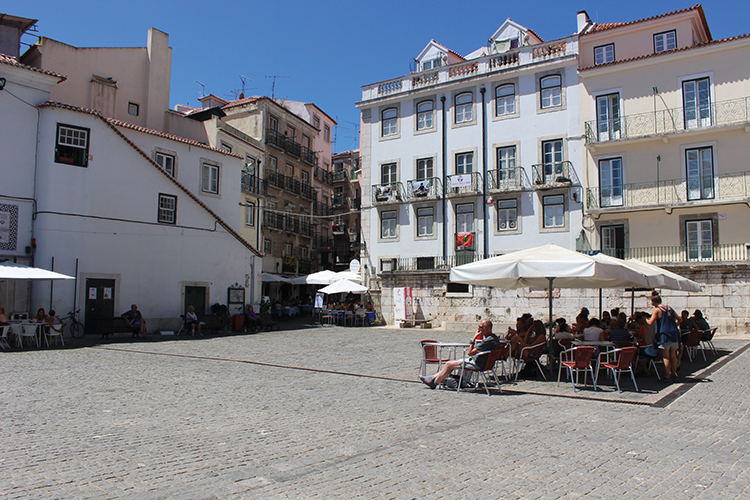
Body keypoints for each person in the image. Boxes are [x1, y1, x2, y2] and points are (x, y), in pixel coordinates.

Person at [419, 319, 502, 389]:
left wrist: (474, 338)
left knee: (448, 364)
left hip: (477, 364)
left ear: (487, 328)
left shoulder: (488, 341)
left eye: (480, 327)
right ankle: (432, 378)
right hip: (483, 363)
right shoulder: (494, 338)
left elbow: (470, 353)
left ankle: (434, 382)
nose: (478, 329)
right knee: (451, 365)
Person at [645, 290, 681, 382]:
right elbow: (679, 319)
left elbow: (650, 322)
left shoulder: (657, 310)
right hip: (674, 334)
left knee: (666, 357)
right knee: (673, 356)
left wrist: (645, 319)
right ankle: (673, 374)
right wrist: (673, 325)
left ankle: (667, 376)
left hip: (664, 335)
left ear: (653, 302)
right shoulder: (669, 308)